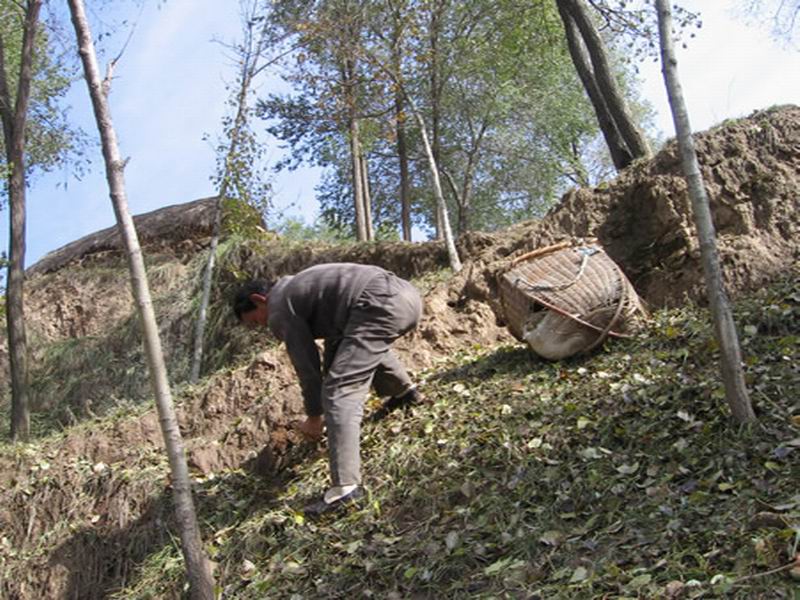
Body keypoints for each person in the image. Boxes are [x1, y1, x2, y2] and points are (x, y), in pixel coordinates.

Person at [232, 262, 425, 515]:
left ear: (259, 300)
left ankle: (346, 490)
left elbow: (307, 366)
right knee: (352, 351)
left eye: (256, 320)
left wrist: (315, 416)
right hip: (405, 296)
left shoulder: (278, 307)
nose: (262, 326)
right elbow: (337, 350)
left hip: (378, 304)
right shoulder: (297, 287)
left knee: (339, 392)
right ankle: (404, 393)